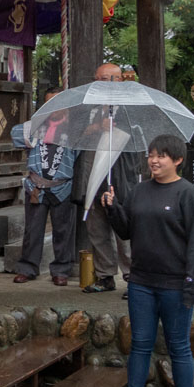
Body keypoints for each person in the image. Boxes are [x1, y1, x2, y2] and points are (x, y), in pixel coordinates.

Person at [103, 134, 194, 387]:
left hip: (176, 285)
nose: (154, 160)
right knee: (140, 345)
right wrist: (113, 209)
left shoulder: (188, 195)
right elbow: (125, 232)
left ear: (177, 160)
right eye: (151, 154)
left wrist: (191, 286)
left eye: (162, 155)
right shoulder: (139, 191)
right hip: (141, 282)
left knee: (179, 348)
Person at [74, 62, 141, 297]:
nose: (99, 83)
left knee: (124, 229)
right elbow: (77, 134)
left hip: (121, 176)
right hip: (93, 174)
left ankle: (133, 277)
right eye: (98, 78)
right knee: (97, 228)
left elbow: (138, 139)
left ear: (118, 80)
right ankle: (105, 276)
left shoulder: (131, 107)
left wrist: (116, 127)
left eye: (105, 79)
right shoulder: (91, 107)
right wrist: (95, 127)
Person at [10, 87, 77, 285]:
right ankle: (28, 268)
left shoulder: (74, 131)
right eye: (48, 103)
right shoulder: (34, 127)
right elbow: (16, 137)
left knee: (63, 230)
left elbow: (80, 159)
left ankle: (61, 270)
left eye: (57, 103)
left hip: (63, 186)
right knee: (32, 229)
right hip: (36, 186)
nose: (53, 108)